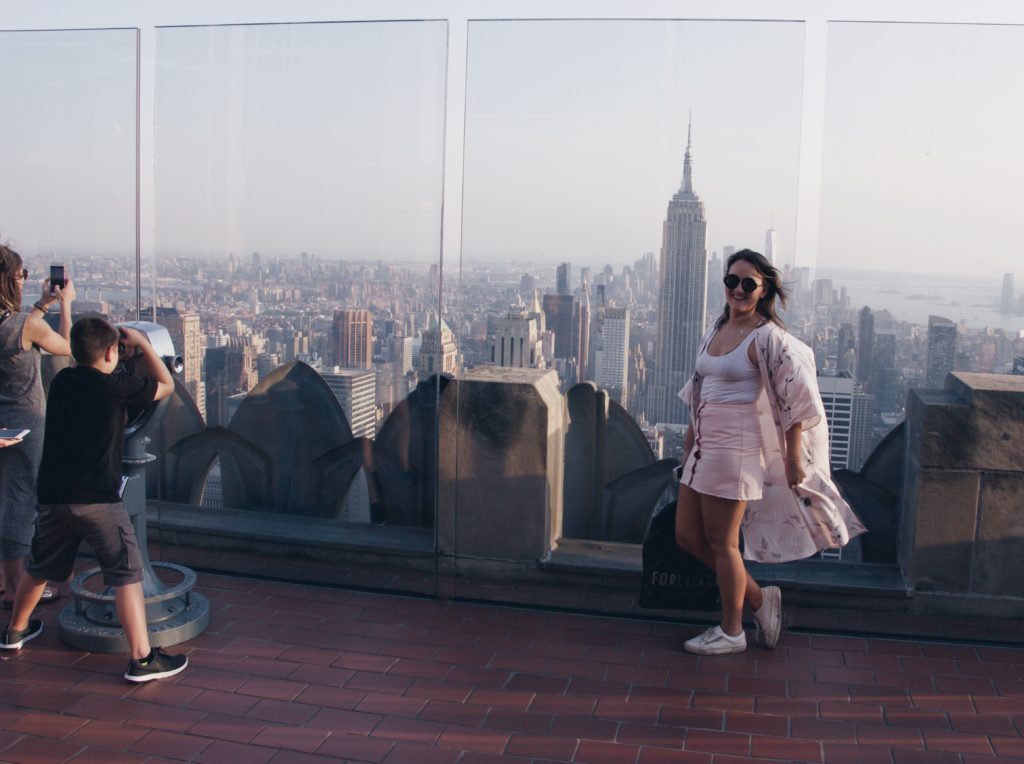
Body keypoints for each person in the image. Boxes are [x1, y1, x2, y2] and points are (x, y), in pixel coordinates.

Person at [674, 249, 866, 655]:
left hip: (736, 452)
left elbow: (797, 398)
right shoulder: (717, 328)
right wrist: (689, 441)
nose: (738, 290)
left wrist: (795, 455)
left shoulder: (768, 338)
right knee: (688, 536)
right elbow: (699, 388)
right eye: (732, 281)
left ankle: (732, 631)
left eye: (748, 283)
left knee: (723, 542)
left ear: (763, 291)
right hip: (704, 449)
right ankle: (760, 599)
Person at [0, 317, 188, 683]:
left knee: (41, 567)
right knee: (126, 573)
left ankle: (14, 631)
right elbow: (166, 385)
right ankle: (143, 660)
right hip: (98, 499)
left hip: (54, 496)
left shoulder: (63, 383)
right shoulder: (117, 387)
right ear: (110, 352)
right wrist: (144, 347)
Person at [0, 244, 75, 609]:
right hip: (25, 425)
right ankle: (17, 588)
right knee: (20, 501)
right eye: (21, 275)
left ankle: (7, 580)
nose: (24, 280)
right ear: (9, 280)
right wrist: (65, 305)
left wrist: (42, 306)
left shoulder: (19, 322)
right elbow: (65, 347)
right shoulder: (24, 325)